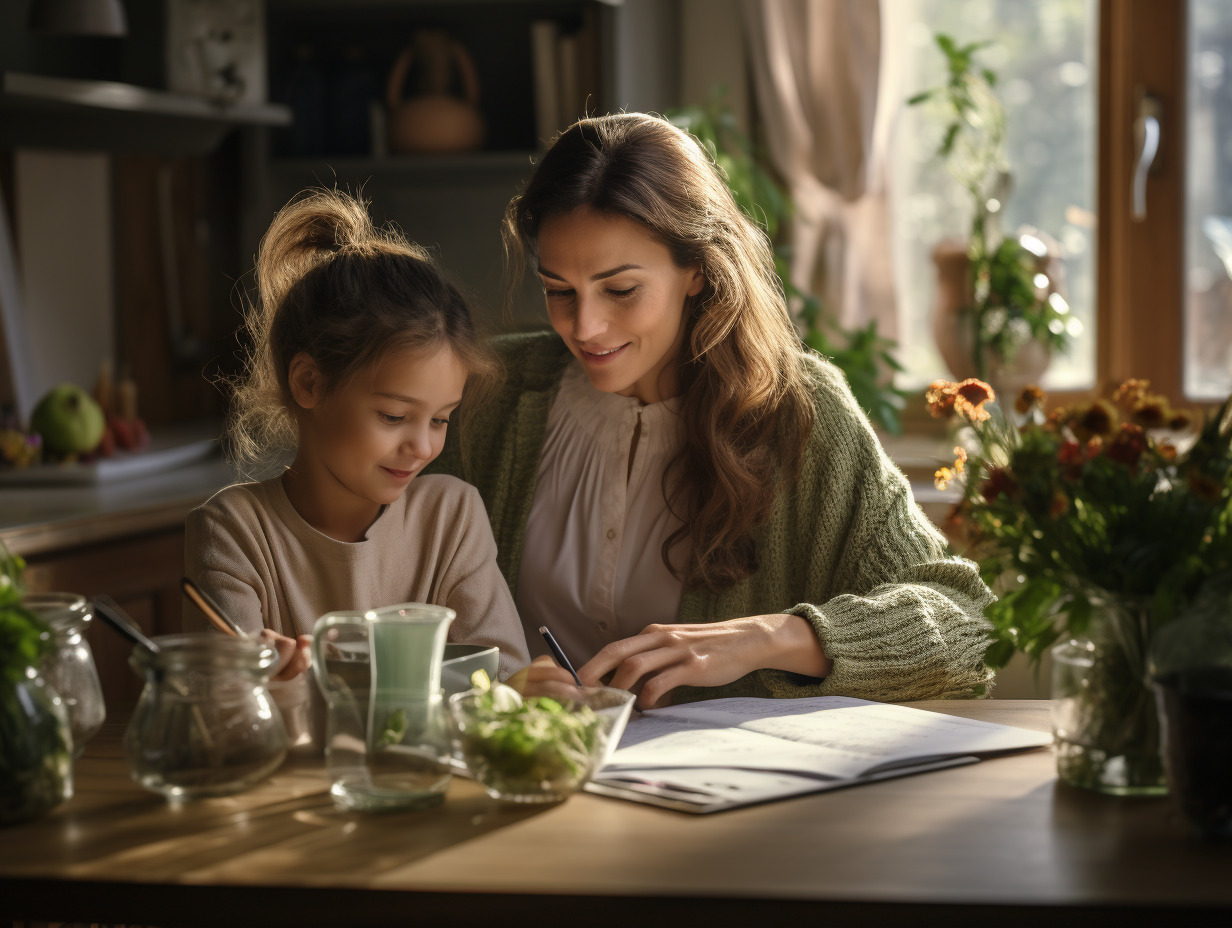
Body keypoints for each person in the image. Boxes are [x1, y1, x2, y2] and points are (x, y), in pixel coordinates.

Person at [428, 113, 995, 708]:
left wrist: (766, 639)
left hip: (734, 796)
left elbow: (972, 630)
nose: (585, 327)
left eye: (620, 290)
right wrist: (488, 687)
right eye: (558, 290)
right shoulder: (488, 395)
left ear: (696, 268)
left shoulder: (800, 415)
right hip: (533, 777)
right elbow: (389, 617)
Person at [185, 188, 530, 681]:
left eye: (440, 419)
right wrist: (264, 685)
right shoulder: (233, 532)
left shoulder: (452, 516)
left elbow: (501, 679)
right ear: (309, 383)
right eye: (393, 416)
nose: (423, 447)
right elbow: (221, 712)